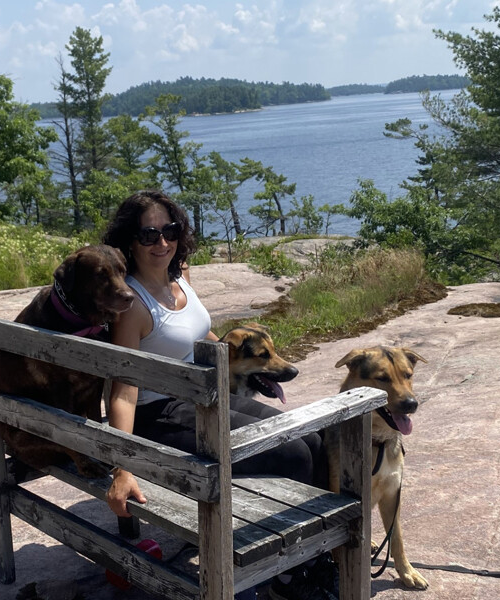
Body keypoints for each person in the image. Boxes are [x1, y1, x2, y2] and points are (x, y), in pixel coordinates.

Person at [102, 190, 338, 600]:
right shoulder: (133, 304)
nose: (162, 243)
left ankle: (311, 556)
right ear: (130, 241)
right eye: (149, 235)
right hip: (159, 414)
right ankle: (280, 575)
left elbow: (200, 337)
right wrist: (122, 466)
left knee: (315, 441)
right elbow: (123, 388)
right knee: (293, 455)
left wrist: (250, 361)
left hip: (200, 399)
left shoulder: (180, 279)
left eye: (170, 230)